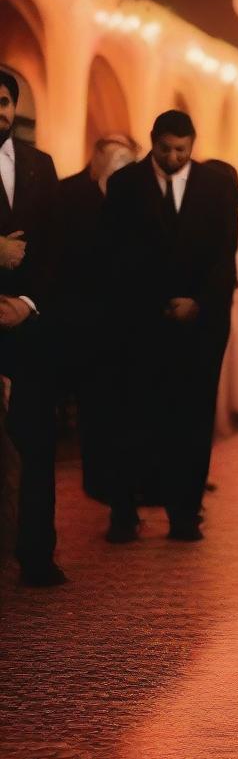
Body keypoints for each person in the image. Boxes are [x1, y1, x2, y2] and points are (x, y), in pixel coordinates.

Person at [103, 111, 238, 544]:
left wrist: (197, 302)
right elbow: (115, 255)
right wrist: (154, 305)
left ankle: (185, 514)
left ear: (193, 145)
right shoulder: (125, 185)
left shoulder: (216, 187)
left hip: (199, 325)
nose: (174, 156)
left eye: (182, 149)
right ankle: (124, 513)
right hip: (139, 326)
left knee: (193, 420)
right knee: (133, 417)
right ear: (153, 143)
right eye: (166, 149)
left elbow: (225, 255)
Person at [0, 69, 63, 586]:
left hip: (30, 325)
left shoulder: (40, 165)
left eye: (3, 102)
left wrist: (26, 301)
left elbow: (53, 246)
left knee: (37, 440)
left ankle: (38, 554)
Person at [55, 134, 137, 501]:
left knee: (131, 413)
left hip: (131, 323)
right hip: (83, 320)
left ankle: (127, 496)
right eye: (116, 158)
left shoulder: (137, 194)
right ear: (97, 157)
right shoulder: (68, 193)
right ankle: (101, 485)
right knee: (94, 412)